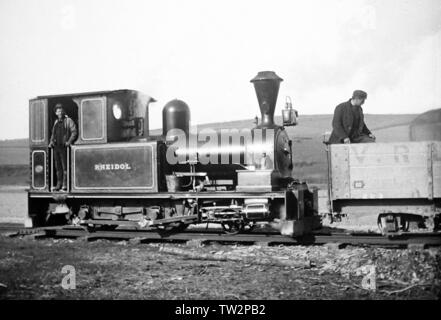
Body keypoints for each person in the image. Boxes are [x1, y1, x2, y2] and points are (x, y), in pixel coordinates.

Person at [48, 104, 77, 191]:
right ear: (56, 113)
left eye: (61, 111)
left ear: (63, 111)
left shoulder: (69, 120)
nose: (59, 112)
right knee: (58, 168)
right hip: (56, 147)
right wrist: (51, 142)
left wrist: (69, 141)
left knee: (65, 167)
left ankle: (65, 185)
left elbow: (74, 132)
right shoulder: (56, 122)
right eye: (58, 111)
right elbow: (53, 134)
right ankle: (58, 185)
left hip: (64, 147)